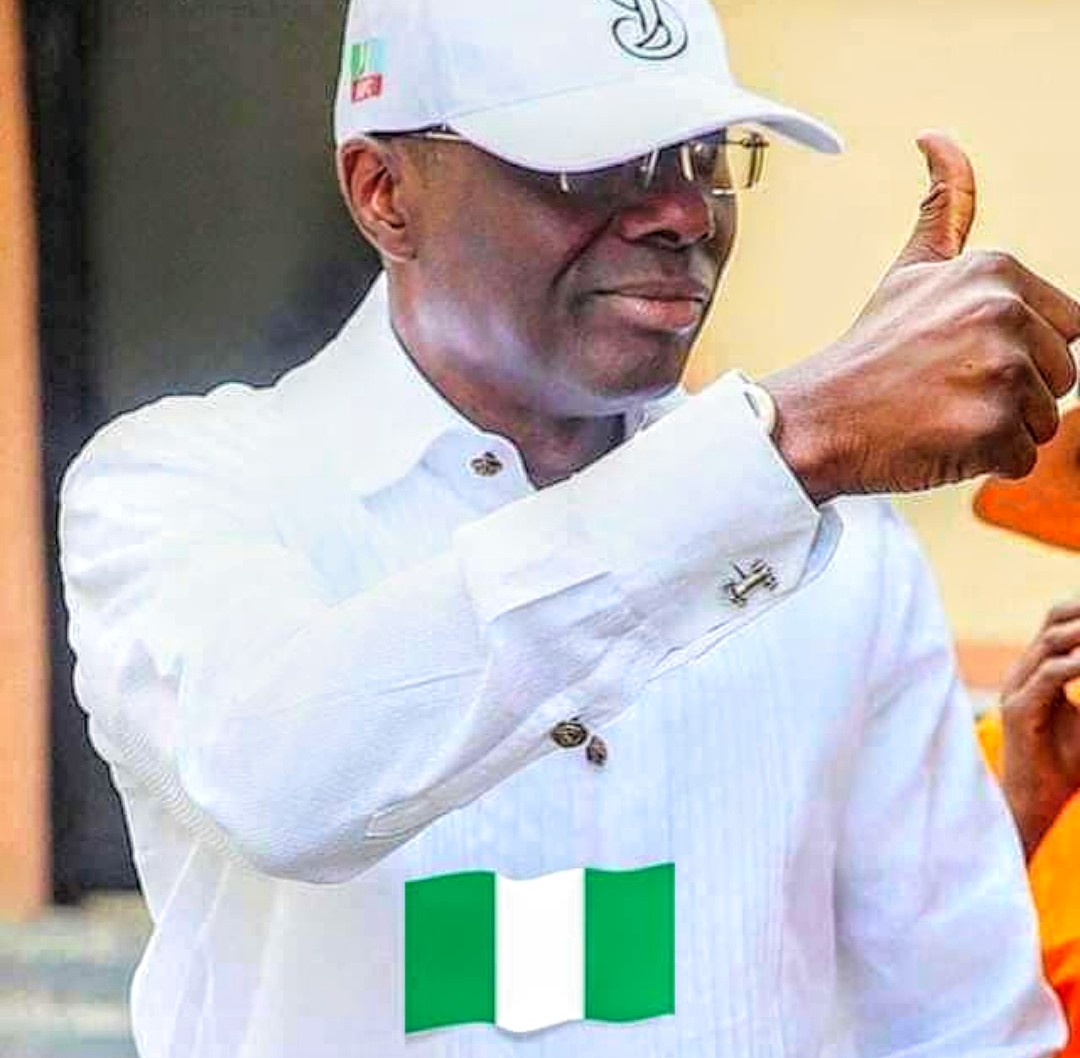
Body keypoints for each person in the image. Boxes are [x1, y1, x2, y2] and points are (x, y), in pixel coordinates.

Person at [58, 1, 1080, 1055]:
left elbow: (959, 1023)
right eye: (591, 163)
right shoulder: (185, 486)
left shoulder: (844, 550)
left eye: (704, 156)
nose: (682, 212)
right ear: (383, 193)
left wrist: (780, 465)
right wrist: (786, 446)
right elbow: (282, 786)